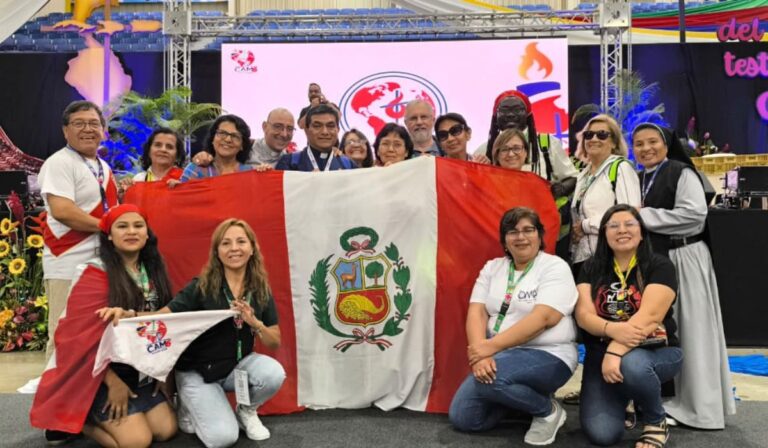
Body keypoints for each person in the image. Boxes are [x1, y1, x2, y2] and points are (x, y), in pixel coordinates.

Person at [100, 218, 285, 447]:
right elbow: (163, 315)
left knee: (273, 373)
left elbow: (274, 341)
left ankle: (246, 410)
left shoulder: (260, 289)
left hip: (235, 366)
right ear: (217, 251)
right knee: (222, 439)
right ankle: (188, 403)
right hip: (197, 371)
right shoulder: (201, 286)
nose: (234, 248)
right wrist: (129, 314)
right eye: (226, 243)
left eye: (241, 242)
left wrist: (254, 322)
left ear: (252, 248)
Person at [632, 123, 735, 429]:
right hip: (658, 259)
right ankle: (671, 402)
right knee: (668, 330)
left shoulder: (682, 172)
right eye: (639, 144)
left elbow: (693, 215)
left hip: (685, 256)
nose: (646, 148)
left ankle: (701, 409)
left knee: (694, 330)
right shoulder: (639, 178)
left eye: (652, 142)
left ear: (666, 144)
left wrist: (641, 216)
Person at [449, 207, 577, 446]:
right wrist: (479, 355)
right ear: (504, 240)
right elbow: (477, 311)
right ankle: (522, 401)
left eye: (529, 230)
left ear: (540, 236)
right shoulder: (492, 267)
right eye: (513, 231)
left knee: (490, 382)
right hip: (500, 353)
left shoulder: (554, 266)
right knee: (464, 418)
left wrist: (489, 348)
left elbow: (544, 318)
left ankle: (547, 410)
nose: (521, 237)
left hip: (549, 353)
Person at [36, 100, 120, 444]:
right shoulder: (59, 163)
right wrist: (109, 226)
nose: (88, 129)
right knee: (63, 338)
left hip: (100, 265)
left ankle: (81, 407)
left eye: (93, 123)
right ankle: (54, 417)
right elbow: (64, 211)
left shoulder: (102, 166)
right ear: (65, 130)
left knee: (91, 338)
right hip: (67, 260)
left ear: (103, 129)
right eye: (80, 123)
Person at [575, 204, 683, 448]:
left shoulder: (660, 265)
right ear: (604, 234)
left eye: (629, 224)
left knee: (632, 365)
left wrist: (615, 351)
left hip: (654, 351)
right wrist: (612, 331)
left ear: (642, 232)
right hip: (601, 355)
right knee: (602, 435)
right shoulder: (590, 267)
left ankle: (656, 421)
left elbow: (650, 317)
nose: (621, 230)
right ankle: (626, 398)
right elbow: (583, 316)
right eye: (613, 226)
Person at [570, 114, 641, 277]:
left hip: (612, 258)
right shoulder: (582, 175)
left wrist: (585, 226)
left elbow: (630, 214)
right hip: (583, 259)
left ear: (614, 142)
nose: (593, 139)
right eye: (588, 135)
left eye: (601, 134)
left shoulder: (620, 168)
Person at [477, 90, 578, 192]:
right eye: (504, 110)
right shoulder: (483, 151)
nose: (510, 115)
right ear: (496, 116)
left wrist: (560, 189)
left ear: (527, 114)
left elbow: (573, 178)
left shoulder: (547, 143)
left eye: (517, 109)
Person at [192, 108, 296, 170]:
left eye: (290, 129)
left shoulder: (293, 161)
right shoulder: (245, 147)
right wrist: (201, 157)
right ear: (264, 126)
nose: (284, 134)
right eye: (278, 126)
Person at [275, 104, 356, 171]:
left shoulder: (348, 165)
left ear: (338, 130)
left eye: (330, 126)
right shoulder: (289, 162)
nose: (325, 132)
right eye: (317, 126)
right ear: (306, 130)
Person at [178, 115, 253, 182]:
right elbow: (181, 194)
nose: (228, 139)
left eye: (235, 136)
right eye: (222, 133)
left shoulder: (250, 173)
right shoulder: (195, 169)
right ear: (212, 139)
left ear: (242, 145)